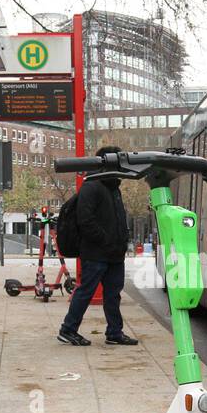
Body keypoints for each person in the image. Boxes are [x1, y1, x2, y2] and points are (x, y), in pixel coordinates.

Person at [57, 147, 137, 347]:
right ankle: (68, 329)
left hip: (114, 254)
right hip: (96, 252)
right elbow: (86, 220)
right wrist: (106, 240)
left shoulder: (113, 187)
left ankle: (114, 332)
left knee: (113, 295)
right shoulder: (92, 186)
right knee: (86, 292)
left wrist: (120, 242)